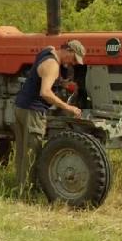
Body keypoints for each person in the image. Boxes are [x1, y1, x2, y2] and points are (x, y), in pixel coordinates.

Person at [13, 39, 86, 193]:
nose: (72, 63)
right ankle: (28, 192)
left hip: (21, 107)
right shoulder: (53, 65)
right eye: (73, 59)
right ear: (68, 50)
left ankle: (19, 188)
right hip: (33, 111)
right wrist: (68, 107)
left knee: (22, 152)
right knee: (33, 152)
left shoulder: (48, 50)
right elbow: (45, 92)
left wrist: (62, 83)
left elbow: (41, 76)